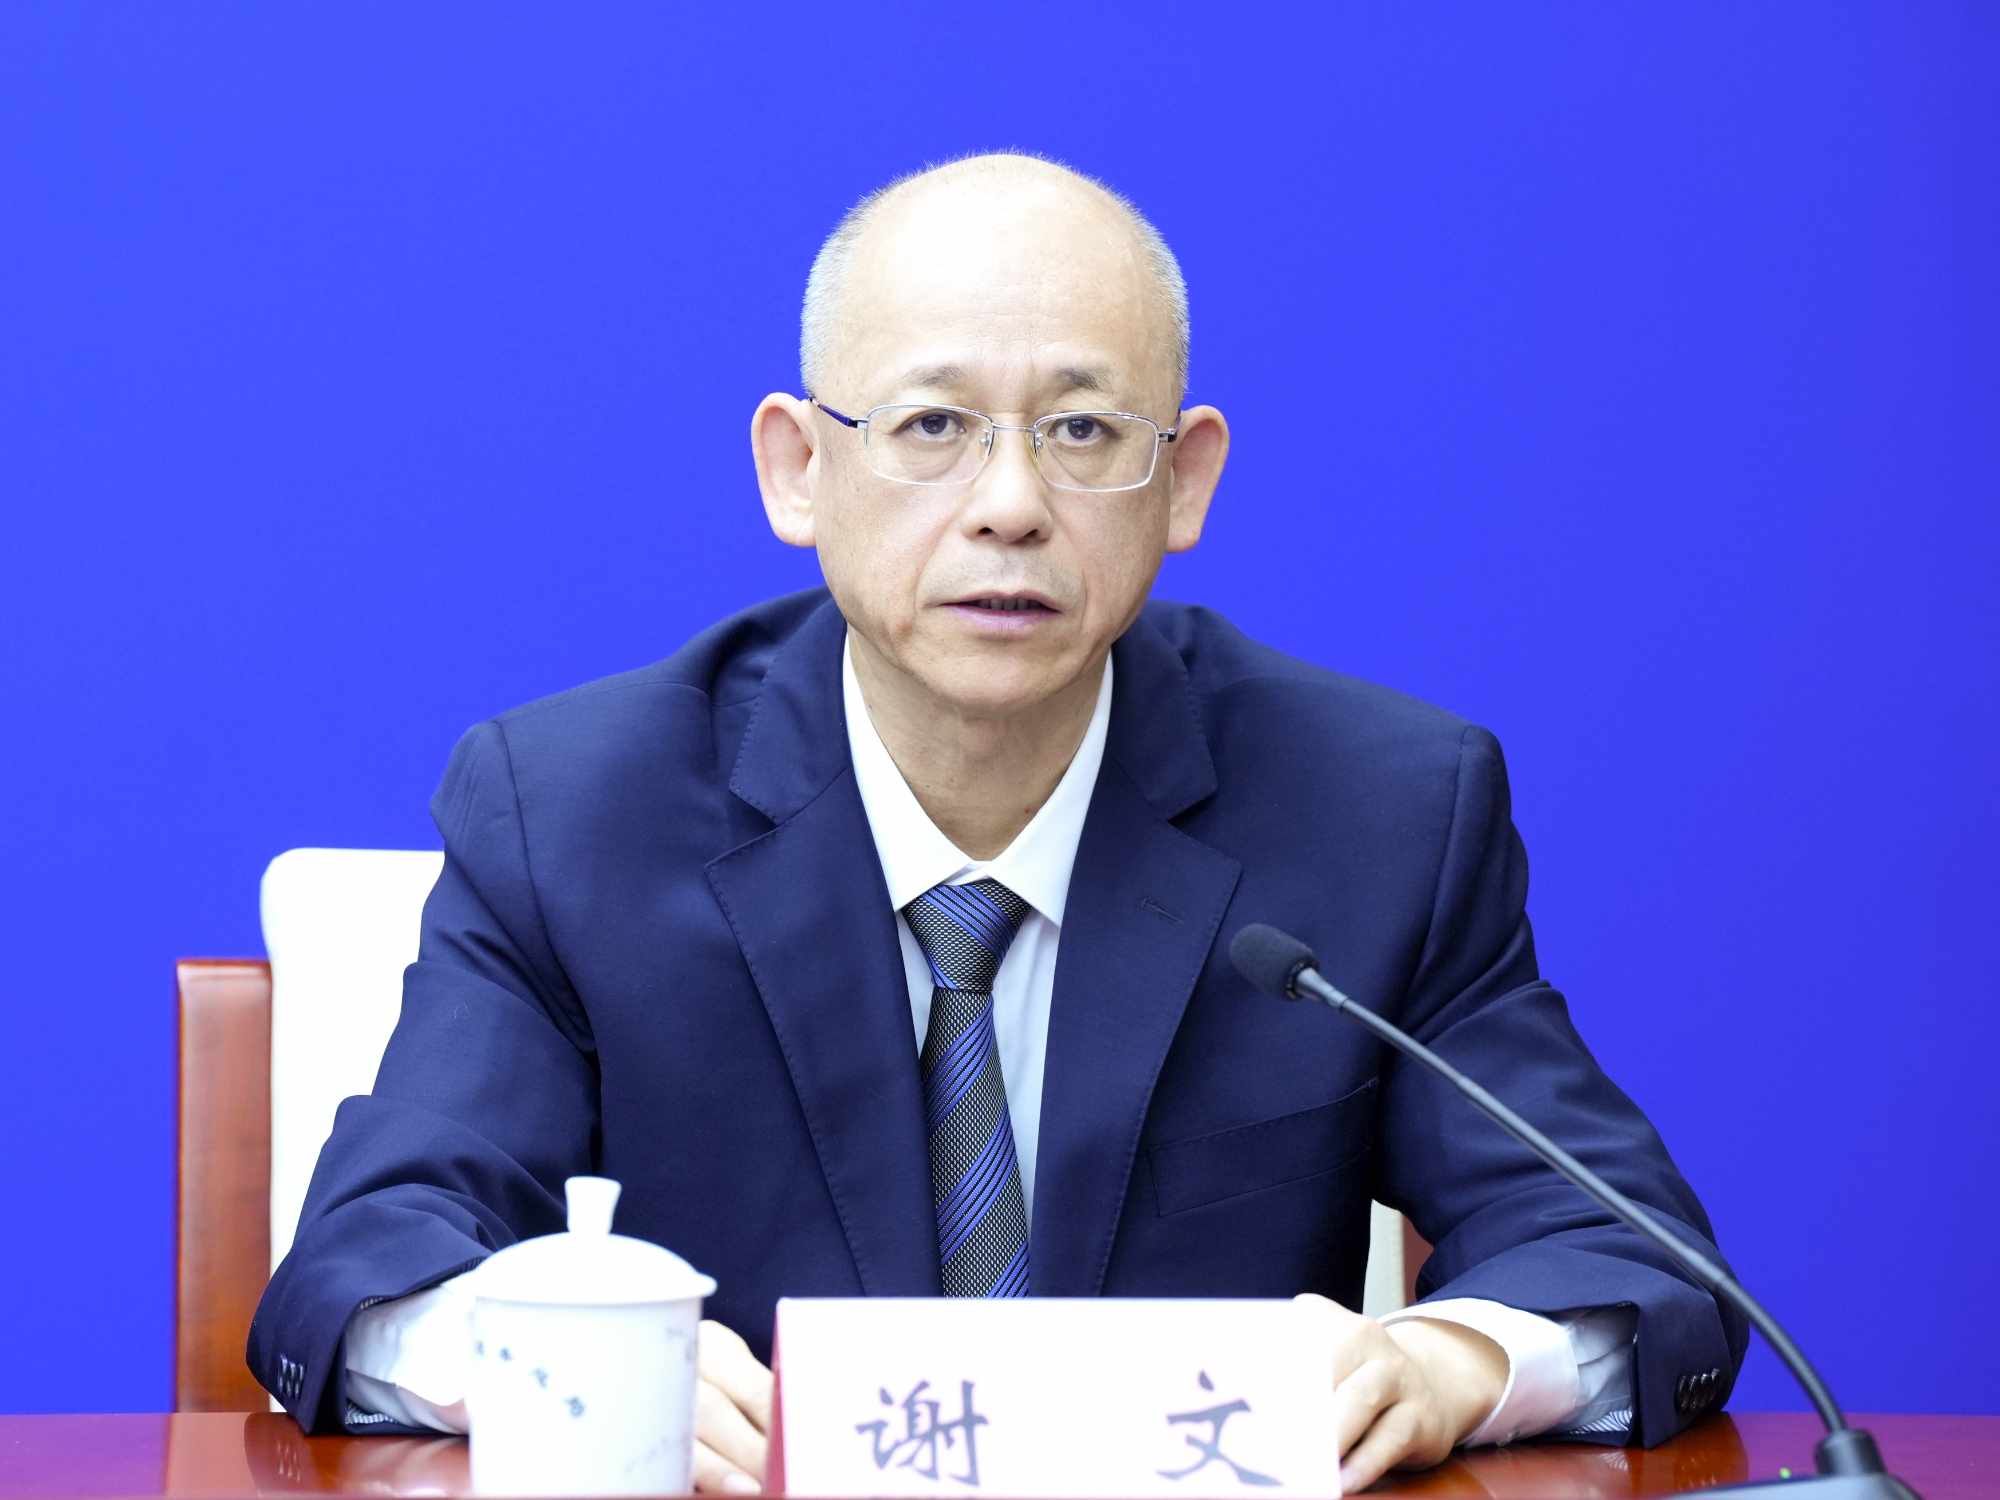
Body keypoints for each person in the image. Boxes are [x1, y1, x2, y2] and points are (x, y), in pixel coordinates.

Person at [249, 153, 1747, 1493]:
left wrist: (1450, 1363)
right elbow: (364, 1264)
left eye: (1084, 429)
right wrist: (549, 1359)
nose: (1011, 504)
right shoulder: (575, 812)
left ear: (1184, 482)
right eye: (933, 424)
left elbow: (1630, 1258)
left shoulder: (1378, 811)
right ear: (798, 468)